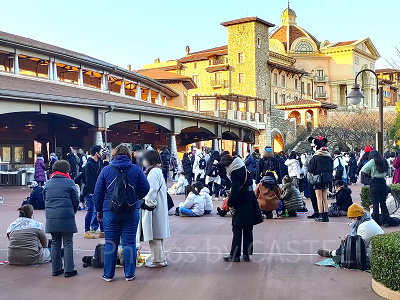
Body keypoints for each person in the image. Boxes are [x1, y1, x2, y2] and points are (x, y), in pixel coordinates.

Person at [94, 144, 150, 281]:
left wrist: (99, 210)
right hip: (131, 210)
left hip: (110, 211)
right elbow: (146, 188)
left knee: (110, 243)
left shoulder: (106, 170)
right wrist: (135, 198)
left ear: (114, 155)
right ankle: (129, 274)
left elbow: (98, 192)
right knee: (129, 242)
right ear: (129, 155)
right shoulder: (136, 170)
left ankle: (108, 274)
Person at [221, 155, 263, 262]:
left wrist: (230, 203)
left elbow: (235, 191)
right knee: (248, 229)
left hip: (241, 201)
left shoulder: (234, 173)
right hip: (250, 199)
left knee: (237, 229)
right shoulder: (244, 168)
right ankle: (246, 254)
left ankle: (235, 255)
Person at [317, 203, 383, 267]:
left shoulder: (364, 226)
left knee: (347, 246)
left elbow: (359, 246)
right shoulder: (368, 221)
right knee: (347, 242)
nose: (351, 220)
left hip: (370, 256)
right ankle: (336, 254)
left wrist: (348, 240)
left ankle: (334, 254)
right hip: (374, 252)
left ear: (357, 217)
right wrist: (350, 238)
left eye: (352, 218)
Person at [44, 160, 79, 277]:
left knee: (55, 242)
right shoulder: (70, 183)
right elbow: (76, 200)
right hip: (66, 215)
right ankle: (69, 269)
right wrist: (72, 212)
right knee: (68, 242)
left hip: (52, 217)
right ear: (66, 169)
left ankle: (56, 269)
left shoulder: (47, 184)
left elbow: (45, 201)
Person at [139, 150, 170, 268]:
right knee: (158, 235)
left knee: (153, 235)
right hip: (160, 207)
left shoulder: (152, 173)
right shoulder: (158, 171)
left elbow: (151, 191)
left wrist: (148, 204)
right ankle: (160, 258)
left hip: (153, 209)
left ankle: (157, 260)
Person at [361, 150, 390, 227]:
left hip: (374, 182)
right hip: (383, 182)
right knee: (383, 203)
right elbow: (389, 172)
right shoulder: (385, 160)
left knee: (375, 204)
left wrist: (370, 173)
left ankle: (376, 221)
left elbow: (364, 169)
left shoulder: (373, 161)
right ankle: (386, 221)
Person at [308, 136, 333, 222]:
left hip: (318, 178)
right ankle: (326, 215)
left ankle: (321, 215)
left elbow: (310, 169)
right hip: (326, 178)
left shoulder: (315, 157)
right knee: (324, 198)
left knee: (319, 198)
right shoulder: (329, 157)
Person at [82, 145, 104, 239]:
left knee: (100, 210)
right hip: (91, 191)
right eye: (100, 152)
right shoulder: (89, 164)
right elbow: (89, 179)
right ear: (96, 153)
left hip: (97, 190)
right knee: (91, 210)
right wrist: (93, 191)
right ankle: (86, 230)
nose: (102, 154)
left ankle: (102, 230)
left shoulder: (98, 163)